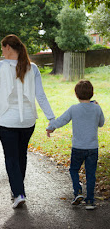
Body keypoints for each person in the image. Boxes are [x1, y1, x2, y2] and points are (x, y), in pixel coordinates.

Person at [0, 34, 55, 209]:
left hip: (7, 121)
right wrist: (51, 117)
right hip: (28, 122)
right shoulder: (32, 67)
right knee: (21, 155)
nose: (2, 52)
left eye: (3, 48)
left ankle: (19, 193)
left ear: (8, 48)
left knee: (11, 157)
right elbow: (40, 96)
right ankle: (18, 190)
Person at [46, 80, 105, 210]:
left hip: (78, 147)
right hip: (92, 148)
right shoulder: (97, 108)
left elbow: (62, 120)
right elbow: (101, 123)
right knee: (90, 174)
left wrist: (51, 127)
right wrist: (97, 107)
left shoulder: (74, 108)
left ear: (76, 94)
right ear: (92, 93)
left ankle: (78, 192)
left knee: (73, 169)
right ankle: (90, 201)